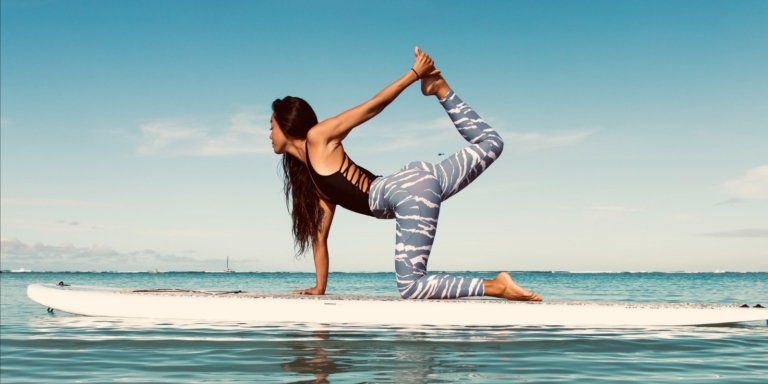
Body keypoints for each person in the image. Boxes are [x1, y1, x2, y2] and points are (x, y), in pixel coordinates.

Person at [269, 47, 541, 301]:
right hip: (415, 181)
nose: (269, 134)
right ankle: (440, 89)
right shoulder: (316, 183)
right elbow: (319, 238)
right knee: (491, 143)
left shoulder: (319, 137)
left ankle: (496, 286)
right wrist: (319, 288)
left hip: (408, 194)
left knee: (411, 286)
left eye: (272, 126)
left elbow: (372, 106)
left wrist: (414, 74)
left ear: (286, 124)